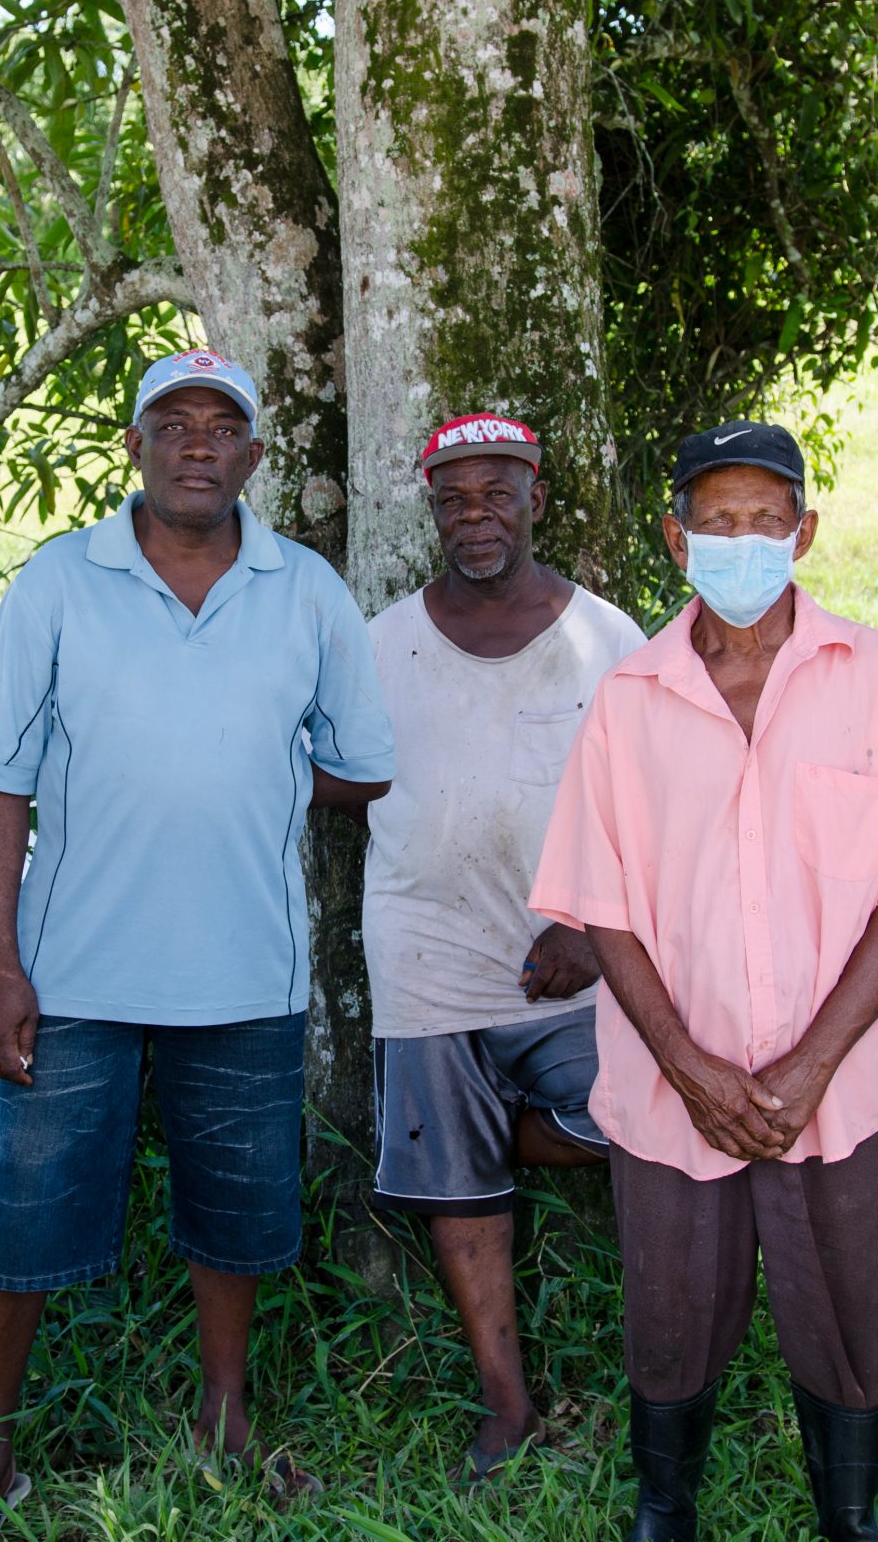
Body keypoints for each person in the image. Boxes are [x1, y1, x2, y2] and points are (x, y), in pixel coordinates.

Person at [0, 347, 395, 1524]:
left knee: (239, 1209)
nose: (198, 442)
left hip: (246, 969)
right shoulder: (56, 582)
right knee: (25, 1206)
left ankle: (224, 1416)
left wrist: (252, 768)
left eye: (222, 425)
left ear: (253, 454)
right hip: (72, 970)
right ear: (133, 445)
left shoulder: (304, 589)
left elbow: (364, 765)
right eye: (173, 422)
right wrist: (1, 968)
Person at [531, 423, 878, 1542]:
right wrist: (688, 1066)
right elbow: (604, 903)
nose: (741, 542)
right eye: (716, 522)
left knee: (842, 1315)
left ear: (805, 532)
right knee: (671, 1313)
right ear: (675, 536)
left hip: (827, 1091)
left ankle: (851, 1515)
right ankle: (662, 1510)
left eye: (764, 521)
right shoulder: (629, 699)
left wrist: (810, 1061)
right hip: (666, 1090)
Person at [360, 412, 645, 1477]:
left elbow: (656, 801)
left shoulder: (608, 638)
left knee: (633, 1113)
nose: (473, 516)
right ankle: (506, 1404)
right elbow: (342, 769)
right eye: (452, 498)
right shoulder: (382, 641)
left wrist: (588, 925)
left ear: (534, 497)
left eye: (495, 493)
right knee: (458, 1196)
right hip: (426, 949)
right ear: (431, 509)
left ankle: (475, 1135)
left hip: (571, 966)